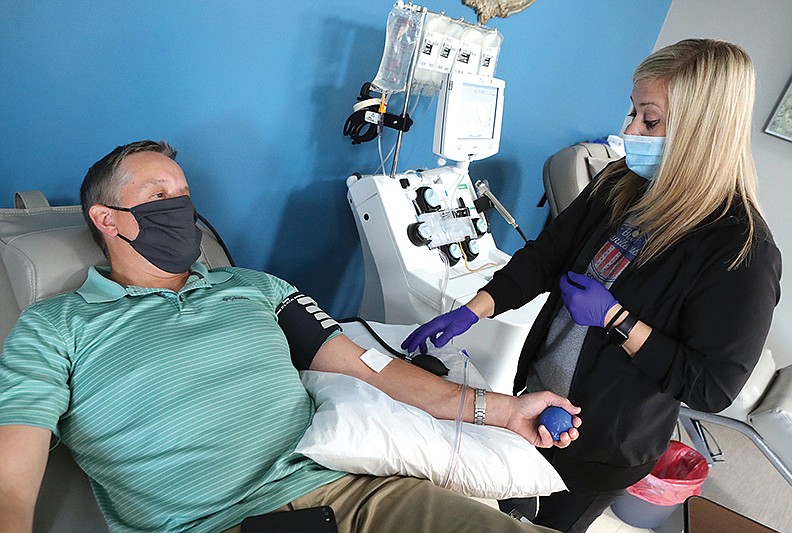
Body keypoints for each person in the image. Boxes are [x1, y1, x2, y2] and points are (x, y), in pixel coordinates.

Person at [0, 140, 581, 533]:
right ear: (107, 219)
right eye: (158, 197)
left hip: (351, 499)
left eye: (183, 195)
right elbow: (13, 468)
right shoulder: (57, 326)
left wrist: (503, 410)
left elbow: (370, 368)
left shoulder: (255, 289)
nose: (180, 209)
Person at [401, 38, 782, 533]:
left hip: (603, 443)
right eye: (633, 112)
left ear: (701, 132)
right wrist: (476, 307)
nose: (628, 130)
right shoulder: (619, 184)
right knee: (497, 511)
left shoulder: (739, 251)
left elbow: (713, 386)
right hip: (535, 398)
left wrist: (617, 320)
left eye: (649, 119)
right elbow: (546, 256)